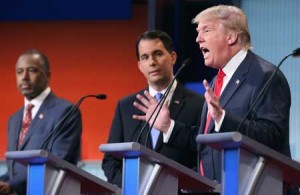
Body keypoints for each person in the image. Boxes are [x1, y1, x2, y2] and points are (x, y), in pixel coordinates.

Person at [133, 4, 294, 189]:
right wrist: (168, 126)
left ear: (231, 36)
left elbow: (272, 136)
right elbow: (205, 141)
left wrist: (223, 118)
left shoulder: (265, 75)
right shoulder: (216, 81)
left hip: (256, 188)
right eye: (197, 32)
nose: (198, 39)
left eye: (206, 30)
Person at [101, 30, 205, 187]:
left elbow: (204, 155)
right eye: (145, 57)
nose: (152, 62)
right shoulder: (126, 106)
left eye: (158, 54)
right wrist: (131, 187)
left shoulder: (198, 103)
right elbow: (111, 160)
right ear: (140, 66)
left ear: (173, 57)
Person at [0, 49, 82, 195]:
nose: (24, 77)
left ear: (48, 75)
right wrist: (4, 182)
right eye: (19, 71)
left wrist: (12, 186)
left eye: (32, 70)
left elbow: (57, 163)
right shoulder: (14, 119)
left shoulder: (66, 111)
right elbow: (14, 170)